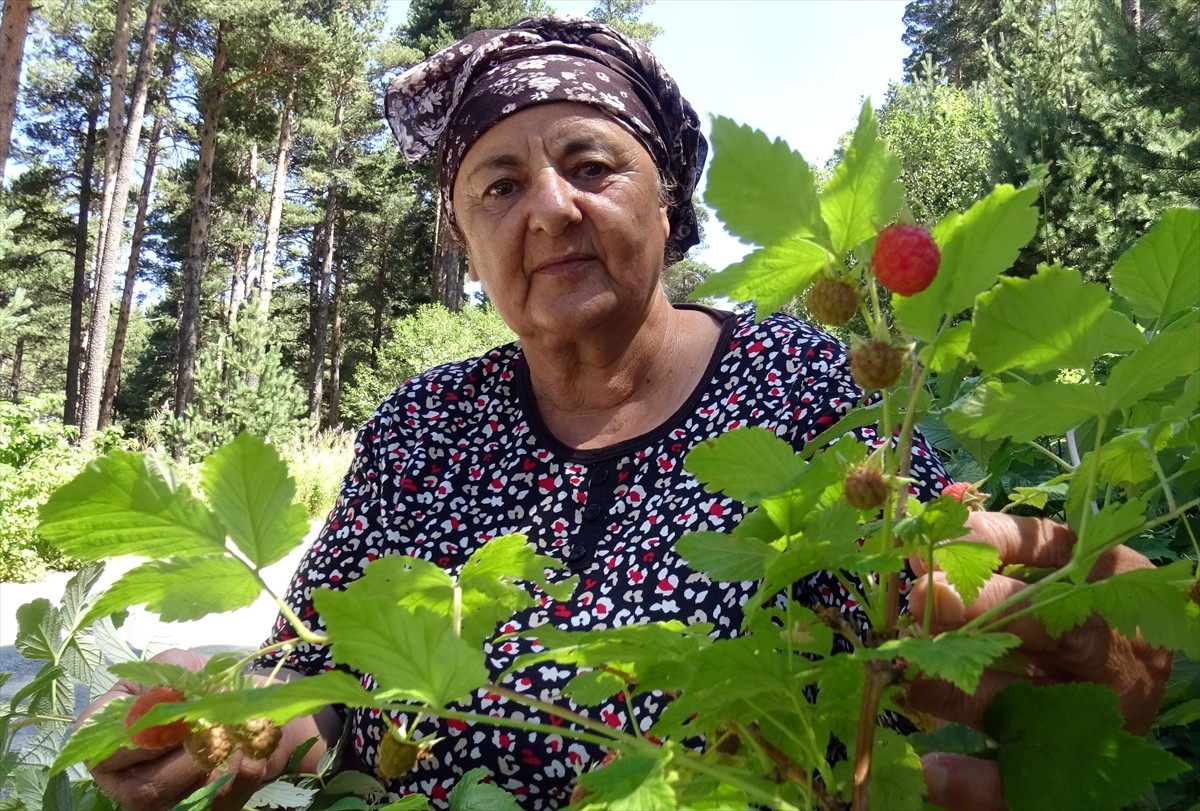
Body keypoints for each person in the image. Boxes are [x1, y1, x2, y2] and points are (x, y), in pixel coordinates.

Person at [82, 15, 1171, 811]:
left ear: (668, 202)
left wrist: (1073, 630)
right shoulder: (421, 431)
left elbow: (1019, 624)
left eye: (591, 164)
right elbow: (325, 673)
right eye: (498, 186)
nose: (550, 207)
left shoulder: (801, 385)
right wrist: (240, 721)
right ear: (466, 246)